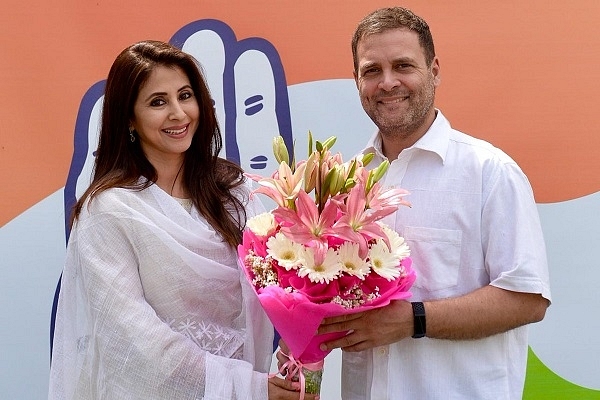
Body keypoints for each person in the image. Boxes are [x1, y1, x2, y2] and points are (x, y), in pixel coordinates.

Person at [48, 40, 316, 400]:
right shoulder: (109, 212)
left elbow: (282, 288)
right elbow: (133, 340)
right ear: (129, 118)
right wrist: (249, 389)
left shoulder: (235, 195)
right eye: (158, 102)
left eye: (185, 95)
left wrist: (301, 350)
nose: (178, 113)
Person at [316, 7, 551, 399]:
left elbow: (526, 299)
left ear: (435, 70)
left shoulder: (489, 172)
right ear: (356, 79)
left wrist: (413, 320)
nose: (387, 82)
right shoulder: (344, 180)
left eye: (403, 66)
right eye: (372, 70)